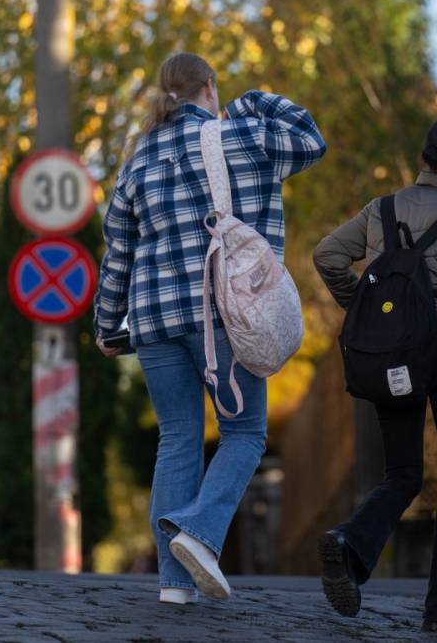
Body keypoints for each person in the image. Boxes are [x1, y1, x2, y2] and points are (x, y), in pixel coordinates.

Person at [93, 52, 326, 604]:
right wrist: (250, 101)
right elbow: (309, 137)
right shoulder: (240, 135)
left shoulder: (136, 163)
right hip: (224, 315)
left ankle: (174, 588)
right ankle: (198, 534)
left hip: (152, 321)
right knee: (243, 432)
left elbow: (117, 256)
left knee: (177, 439)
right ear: (210, 87)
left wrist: (107, 326)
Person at [312, 116, 437, 633]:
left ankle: (350, 545)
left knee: (402, 474)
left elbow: (328, 255)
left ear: (426, 157)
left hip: (391, 359)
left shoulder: (381, 210)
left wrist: (366, 312)